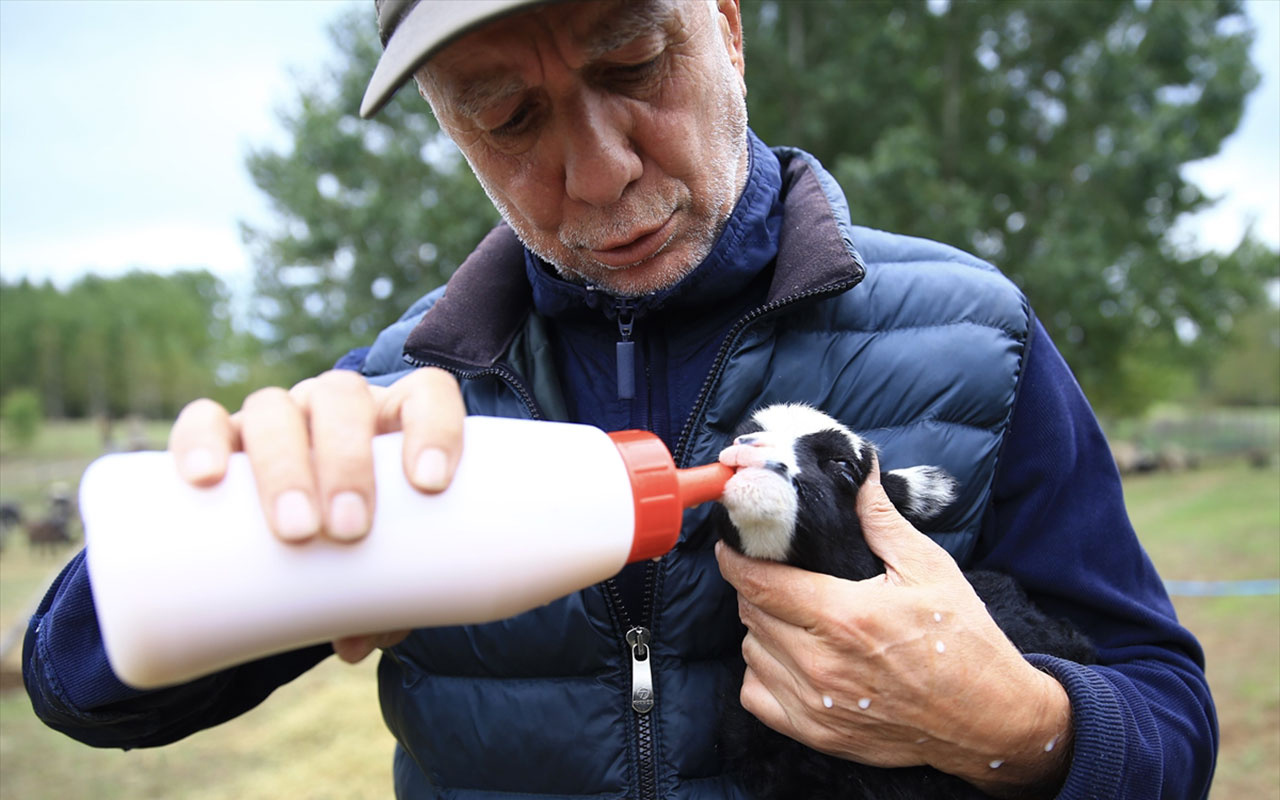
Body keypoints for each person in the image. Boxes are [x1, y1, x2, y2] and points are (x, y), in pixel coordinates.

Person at [24, 1, 1216, 798]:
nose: (599, 169)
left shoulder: (974, 333)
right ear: (449, 130)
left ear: (729, 30)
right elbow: (78, 684)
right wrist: (235, 509)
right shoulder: (394, 405)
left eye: (632, 65)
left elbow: (1170, 720)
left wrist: (1016, 722)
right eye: (506, 114)